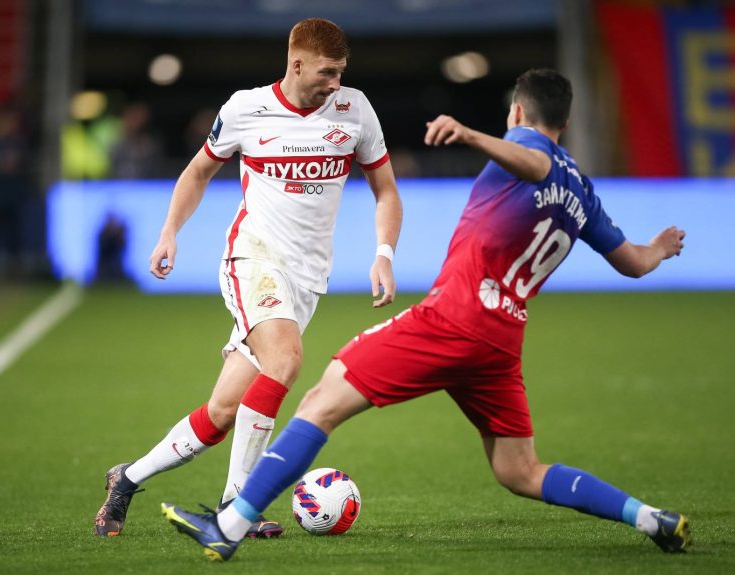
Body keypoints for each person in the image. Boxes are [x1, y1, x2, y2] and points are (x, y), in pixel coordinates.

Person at [161, 68, 691, 561]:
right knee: (519, 470)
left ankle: (229, 525)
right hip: (502, 338)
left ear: (517, 114)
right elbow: (633, 262)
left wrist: (472, 136)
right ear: (567, 123)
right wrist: (660, 248)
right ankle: (650, 518)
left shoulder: (529, 148)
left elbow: (537, 164)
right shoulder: (582, 192)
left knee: (320, 402)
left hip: (454, 318)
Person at [94, 18, 401, 538]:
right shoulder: (245, 109)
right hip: (253, 258)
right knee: (286, 362)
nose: (336, 83)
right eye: (327, 73)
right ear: (296, 64)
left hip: (306, 279)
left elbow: (386, 190)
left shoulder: (355, 109)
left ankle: (127, 478)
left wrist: (384, 253)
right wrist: (169, 232)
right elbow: (198, 171)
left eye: (341, 72)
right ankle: (236, 506)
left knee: (223, 411)